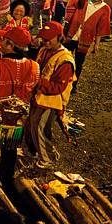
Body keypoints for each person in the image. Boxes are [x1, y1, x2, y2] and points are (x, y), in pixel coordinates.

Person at [0, 27, 40, 186]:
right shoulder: (34, 66)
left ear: (9, 45)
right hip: (18, 119)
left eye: (4, 40)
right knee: (11, 147)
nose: (0, 43)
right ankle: (5, 177)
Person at [26, 21, 75, 169]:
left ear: (59, 37)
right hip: (39, 96)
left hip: (51, 100)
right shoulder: (44, 50)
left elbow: (59, 87)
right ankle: (36, 151)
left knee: (39, 127)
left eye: (49, 39)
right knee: (33, 124)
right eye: (44, 38)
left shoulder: (65, 60)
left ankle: (48, 157)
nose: (45, 42)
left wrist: (38, 82)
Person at [63, 0, 111, 93]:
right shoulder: (82, 1)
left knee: (78, 63)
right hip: (71, 36)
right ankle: (61, 81)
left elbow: (101, 27)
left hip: (86, 39)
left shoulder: (105, 9)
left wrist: (97, 44)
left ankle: (73, 85)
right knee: (64, 59)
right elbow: (65, 0)